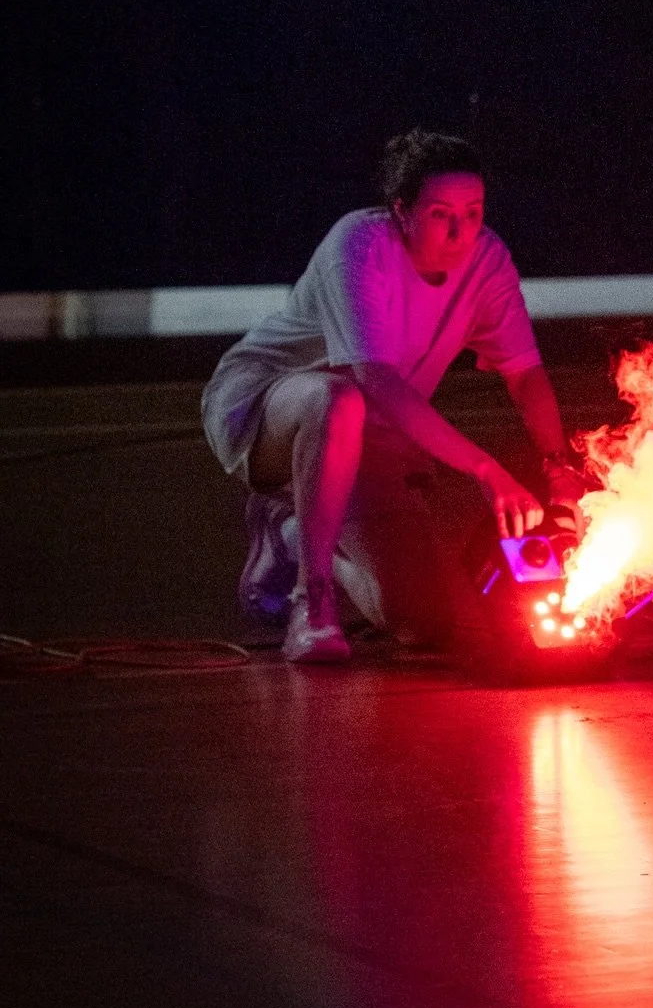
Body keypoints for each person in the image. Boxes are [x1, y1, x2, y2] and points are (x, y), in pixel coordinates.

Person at [202, 129, 587, 664]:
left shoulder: (489, 260)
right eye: (440, 214)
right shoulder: (358, 246)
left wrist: (557, 464)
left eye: (473, 212)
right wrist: (486, 470)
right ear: (402, 209)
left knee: (423, 625)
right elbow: (374, 380)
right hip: (264, 408)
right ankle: (311, 603)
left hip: (368, 435)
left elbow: (524, 374)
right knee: (339, 399)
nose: (460, 230)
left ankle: (289, 532)